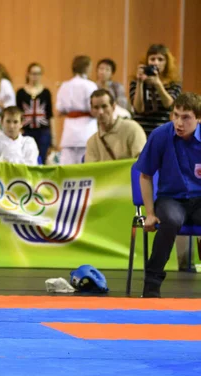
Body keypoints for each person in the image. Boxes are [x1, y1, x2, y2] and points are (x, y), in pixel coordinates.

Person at [134, 92, 201, 297]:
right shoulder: (160, 135)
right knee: (170, 221)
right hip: (171, 198)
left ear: (198, 118)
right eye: (176, 115)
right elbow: (145, 176)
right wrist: (151, 213)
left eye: (186, 117)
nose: (179, 122)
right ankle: (151, 286)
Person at [130, 44, 182, 137]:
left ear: (166, 63)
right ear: (147, 62)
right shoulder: (136, 82)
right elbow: (138, 108)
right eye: (152, 59)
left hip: (162, 131)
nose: (155, 63)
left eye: (160, 59)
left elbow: (169, 105)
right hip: (140, 132)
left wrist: (158, 84)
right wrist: (140, 82)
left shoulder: (173, 83)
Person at [56, 55, 98, 164]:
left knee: (67, 164)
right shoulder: (90, 85)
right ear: (87, 67)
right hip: (87, 128)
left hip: (69, 129)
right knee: (86, 163)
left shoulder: (65, 85)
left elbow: (59, 108)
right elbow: (94, 107)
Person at [85, 89, 146, 162]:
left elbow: (142, 162)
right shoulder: (92, 142)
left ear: (113, 107)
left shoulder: (132, 129)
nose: (100, 112)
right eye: (96, 107)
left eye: (104, 106)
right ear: (91, 111)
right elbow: (91, 169)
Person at [16, 62, 55, 163]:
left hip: (43, 132)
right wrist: (18, 130)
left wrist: (54, 137)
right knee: (26, 158)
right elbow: (18, 114)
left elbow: (50, 115)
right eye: (33, 73)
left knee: (42, 159)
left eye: (38, 74)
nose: (35, 76)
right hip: (26, 132)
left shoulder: (46, 92)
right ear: (28, 74)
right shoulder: (20, 92)